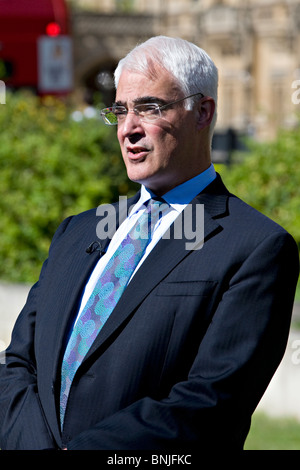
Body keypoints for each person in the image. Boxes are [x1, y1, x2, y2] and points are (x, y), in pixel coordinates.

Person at [0, 36, 298, 451]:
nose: (128, 129)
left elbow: (212, 402)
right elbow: (18, 363)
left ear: (203, 112)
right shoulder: (78, 232)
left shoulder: (255, 247)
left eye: (149, 108)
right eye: (121, 110)